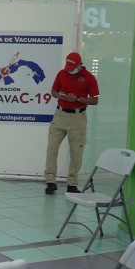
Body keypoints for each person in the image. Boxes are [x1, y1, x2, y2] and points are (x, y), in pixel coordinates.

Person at [44, 52, 99, 195]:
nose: (70, 69)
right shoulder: (62, 74)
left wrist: (78, 99)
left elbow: (94, 100)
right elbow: (53, 92)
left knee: (76, 152)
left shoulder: (89, 78)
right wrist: (63, 96)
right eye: (68, 66)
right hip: (60, 115)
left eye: (73, 67)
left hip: (77, 117)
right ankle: (50, 181)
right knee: (52, 148)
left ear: (80, 64)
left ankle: (72, 183)